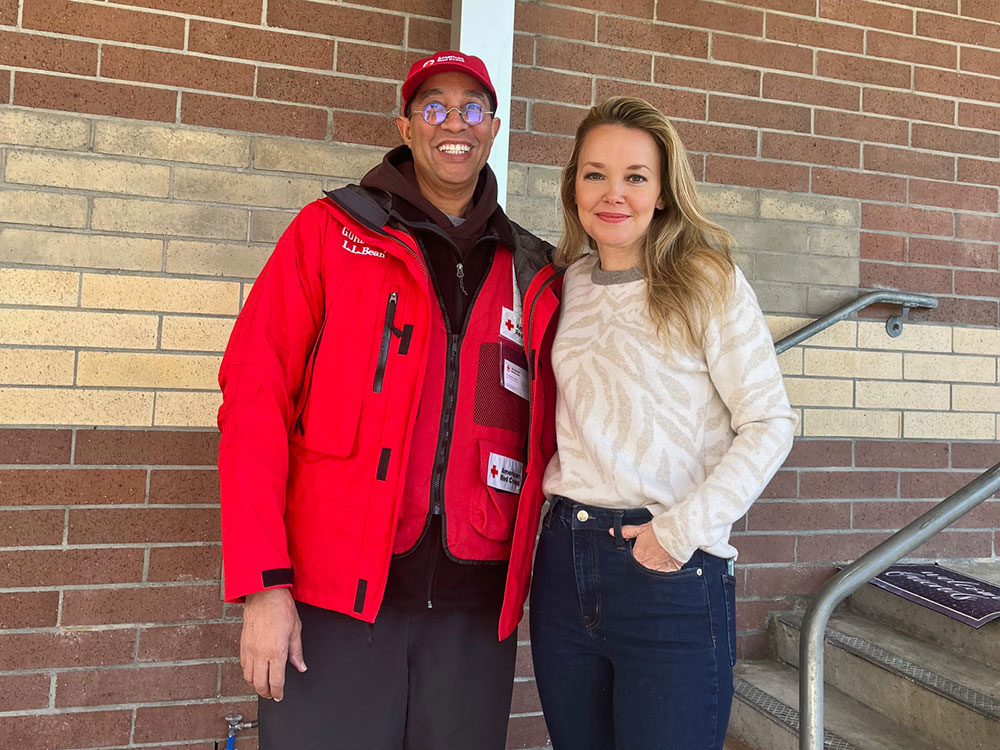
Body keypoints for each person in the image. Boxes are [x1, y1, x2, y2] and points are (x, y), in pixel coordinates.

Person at [217, 50, 554, 750]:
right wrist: (262, 586)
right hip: (334, 602)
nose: (452, 123)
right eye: (433, 107)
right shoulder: (331, 233)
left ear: (494, 126)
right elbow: (254, 400)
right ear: (405, 125)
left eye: (470, 109)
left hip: (472, 614)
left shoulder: (530, 267)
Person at [527, 97, 797, 750]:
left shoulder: (708, 282)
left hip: (669, 573)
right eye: (595, 174)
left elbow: (769, 423)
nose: (613, 193)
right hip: (566, 564)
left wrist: (678, 533)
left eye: (635, 176)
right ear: (573, 188)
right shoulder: (564, 287)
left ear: (664, 193)